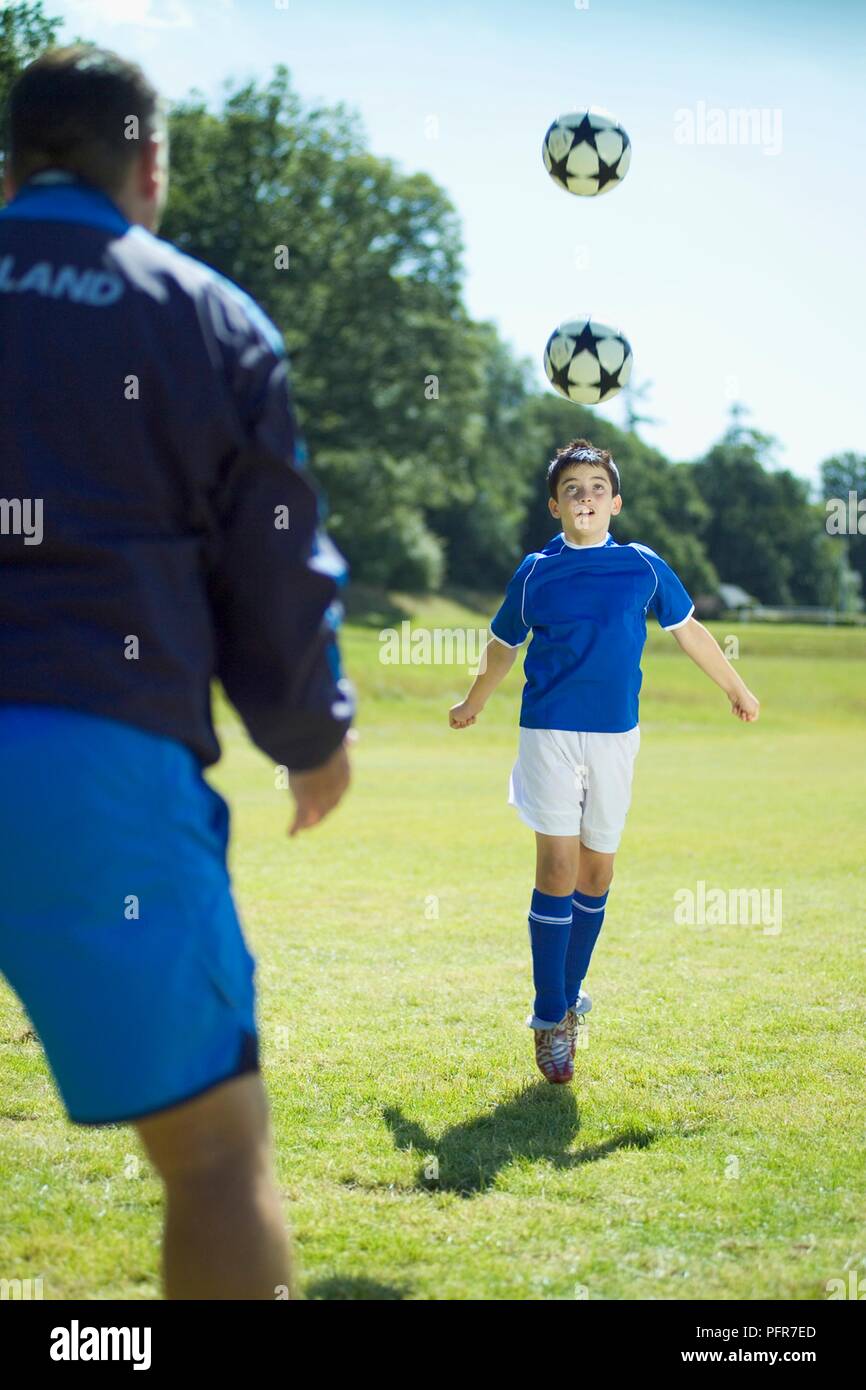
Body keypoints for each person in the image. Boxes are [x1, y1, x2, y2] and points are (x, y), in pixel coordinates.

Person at [0, 47, 354, 1299]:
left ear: (10, 168)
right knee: (212, 1159)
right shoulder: (203, 314)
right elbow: (274, 561)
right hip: (88, 757)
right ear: (147, 165)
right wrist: (309, 733)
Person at [449, 438, 759, 1083]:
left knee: (596, 874)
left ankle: (568, 998)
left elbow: (690, 631)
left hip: (616, 737)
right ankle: (547, 1017)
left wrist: (735, 687)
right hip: (549, 734)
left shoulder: (643, 566)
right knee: (557, 866)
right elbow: (503, 645)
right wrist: (474, 699)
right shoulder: (536, 572)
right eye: (571, 489)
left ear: (614, 502)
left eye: (596, 487)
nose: (584, 497)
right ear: (554, 506)